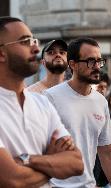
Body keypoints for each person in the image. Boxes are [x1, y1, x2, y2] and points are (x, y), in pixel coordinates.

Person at [0, 16, 83, 187]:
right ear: (1, 53)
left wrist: (26, 159)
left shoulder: (42, 103)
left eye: (34, 41)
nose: (36, 48)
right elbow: (12, 179)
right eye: (25, 42)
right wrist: (52, 163)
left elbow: (76, 164)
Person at [44, 37, 111, 188]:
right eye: (90, 61)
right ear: (72, 64)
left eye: (99, 61)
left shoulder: (101, 101)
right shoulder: (50, 97)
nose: (97, 66)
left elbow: (106, 152)